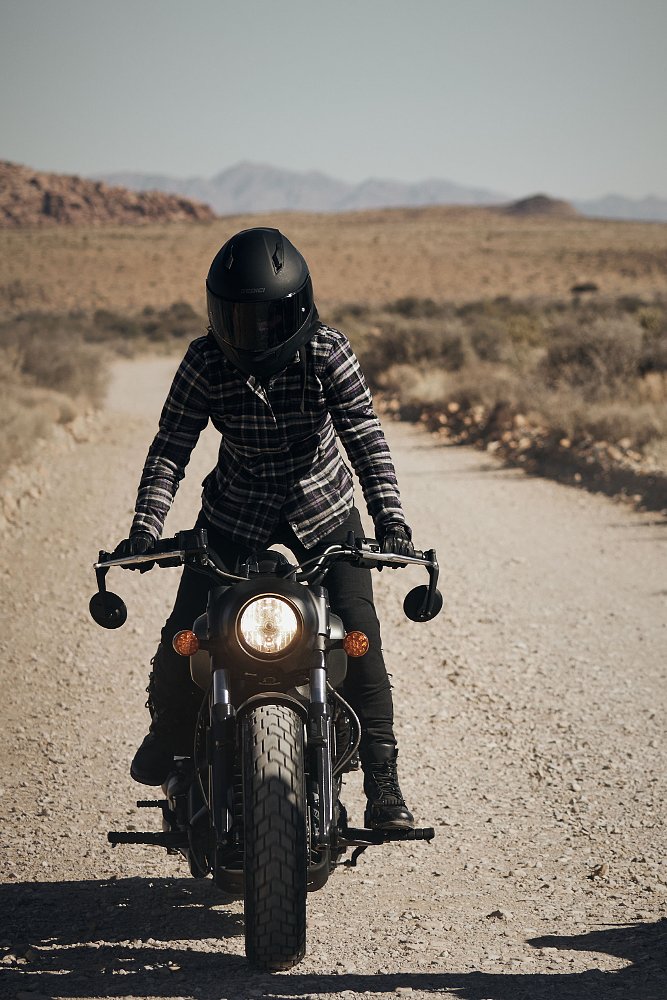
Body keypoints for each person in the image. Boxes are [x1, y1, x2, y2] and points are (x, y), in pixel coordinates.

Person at [113, 227, 416, 830]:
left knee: (359, 638)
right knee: (187, 632)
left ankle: (383, 781)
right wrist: (146, 526)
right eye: (235, 316)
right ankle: (173, 738)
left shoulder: (328, 351)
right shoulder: (204, 359)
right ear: (214, 312)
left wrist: (391, 522)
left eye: (266, 318)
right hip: (235, 510)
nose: (251, 332)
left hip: (322, 510)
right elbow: (171, 444)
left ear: (298, 310)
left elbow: (365, 438)